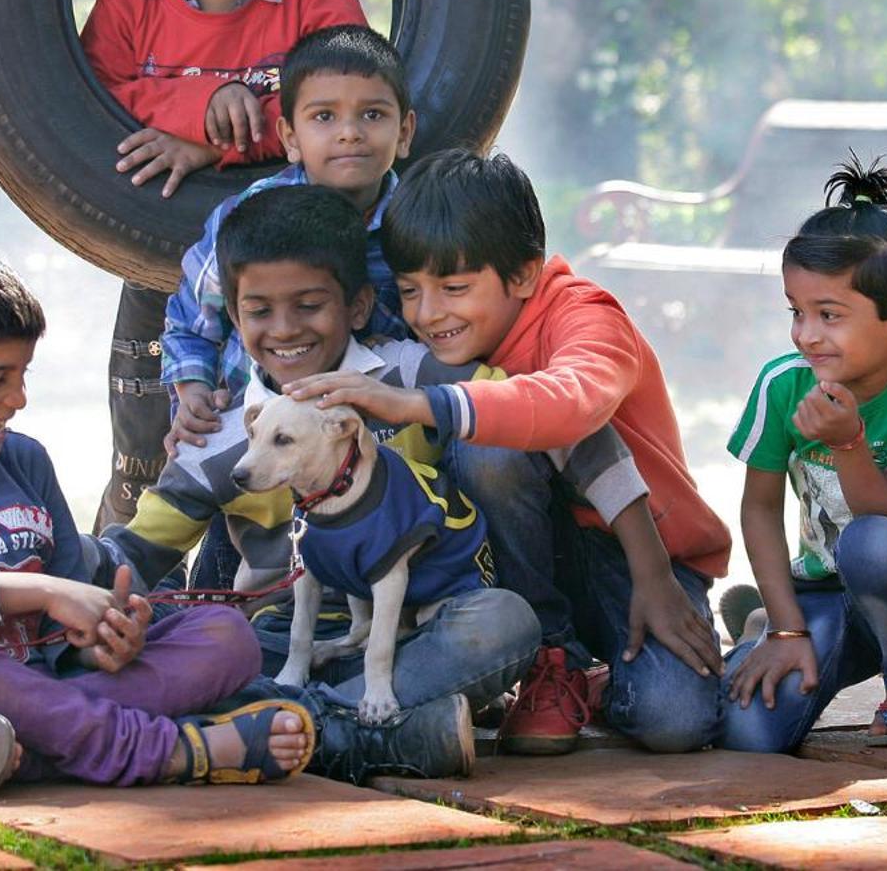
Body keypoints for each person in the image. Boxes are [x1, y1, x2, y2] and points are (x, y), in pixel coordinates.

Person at [102, 185, 639, 782]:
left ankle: (292, 731)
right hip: (284, 652)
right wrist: (59, 595)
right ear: (234, 315)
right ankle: (358, 732)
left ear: (357, 307)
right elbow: (136, 547)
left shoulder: (409, 375)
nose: (284, 330)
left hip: (416, 641)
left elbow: (558, 423)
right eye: (259, 311)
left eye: (309, 305)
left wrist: (652, 567)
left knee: (505, 623)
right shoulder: (228, 434)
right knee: (203, 639)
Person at [0, 236, 311, 796]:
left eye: (23, 375)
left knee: (225, 635)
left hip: (42, 692)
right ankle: (170, 749)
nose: (19, 398)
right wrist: (42, 591)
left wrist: (102, 640)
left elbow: (68, 611)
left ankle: (6, 754)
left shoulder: (24, 460)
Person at [291, 148, 731, 756]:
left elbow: (573, 404)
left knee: (675, 721)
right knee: (487, 455)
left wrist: (655, 578)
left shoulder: (585, 316)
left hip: (637, 554)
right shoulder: (421, 355)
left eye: (454, 287)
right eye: (411, 290)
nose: (427, 313)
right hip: (517, 556)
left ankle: (630, 673)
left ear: (523, 274)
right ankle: (554, 658)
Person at [76, 0, 367, 531]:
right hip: (159, 243)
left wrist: (221, 142)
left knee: (298, 418)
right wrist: (194, 108)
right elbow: (84, 101)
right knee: (150, 432)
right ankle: (122, 562)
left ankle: (298, 563)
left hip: (296, 251)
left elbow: (349, 101)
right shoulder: (125, 3)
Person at [716, 158, 887, 752]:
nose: (805, 335)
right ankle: (765, 622)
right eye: (796, 311)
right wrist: (788, 629)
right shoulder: (782, 385)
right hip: (824, 595)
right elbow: (759, 509)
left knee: (869, 542)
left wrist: (847, 444)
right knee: (746, 731)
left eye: (829, 315)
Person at [161, 24, 417, 448]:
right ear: (290, 138)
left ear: (404, 132)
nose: (349, 132)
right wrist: (194, 395)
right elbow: (191, 324)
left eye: (372, 114)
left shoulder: (416, 224)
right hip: (255, 427)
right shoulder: (241, 219)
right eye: (324, 116)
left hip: (382, 430)